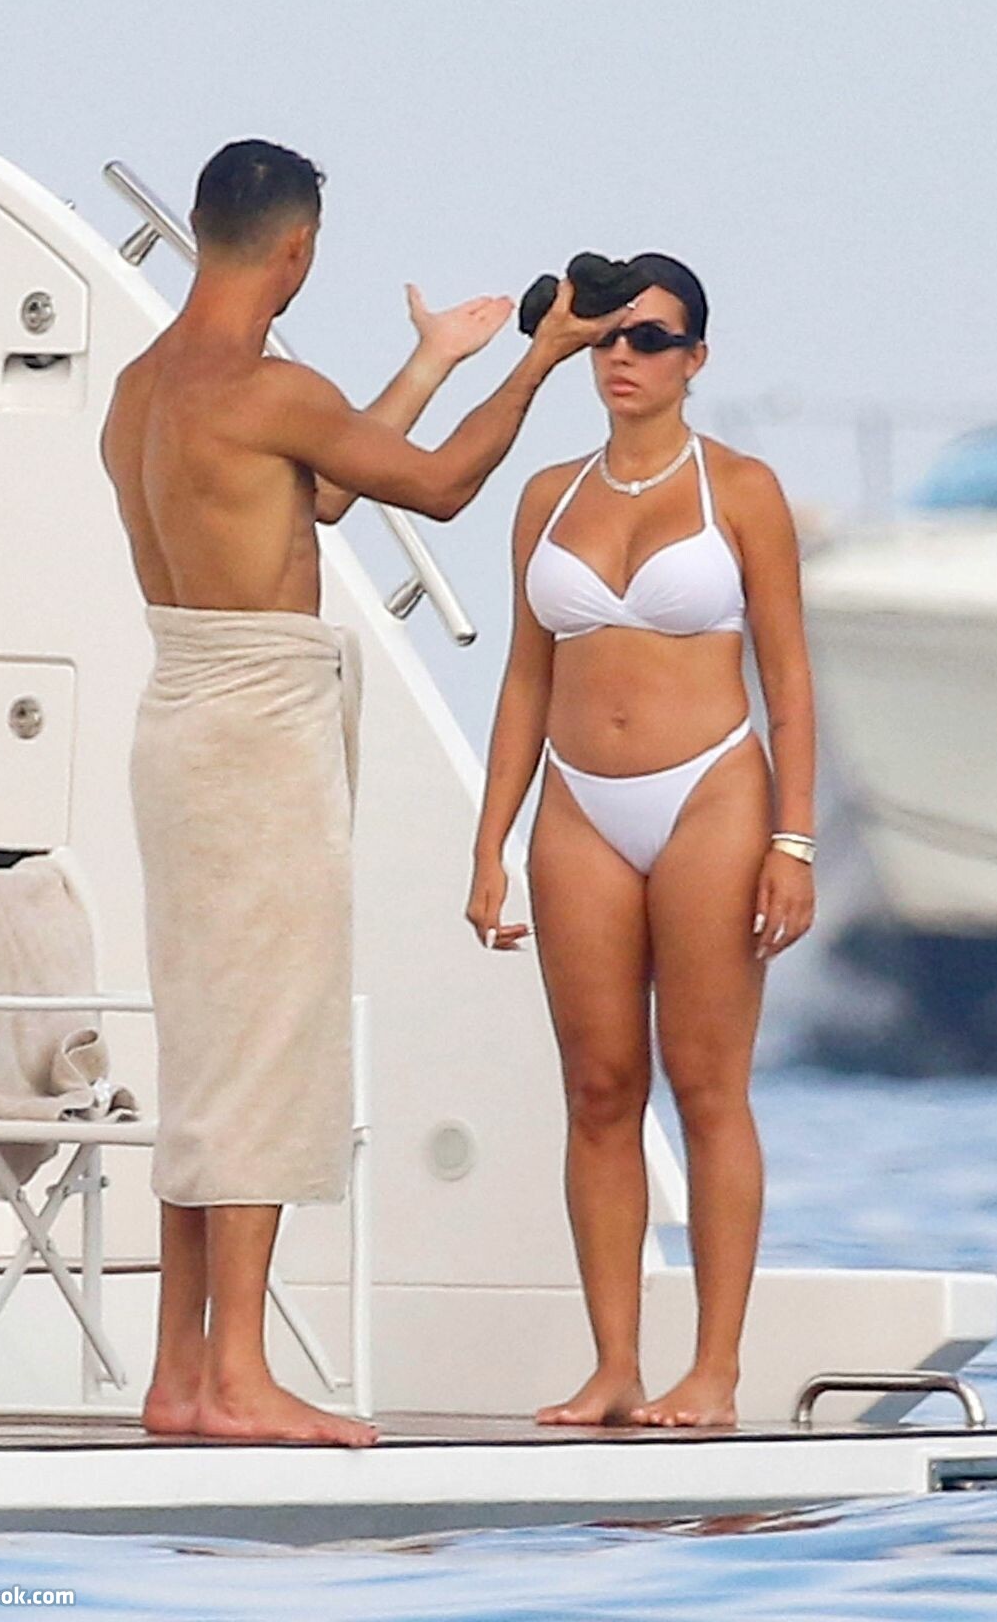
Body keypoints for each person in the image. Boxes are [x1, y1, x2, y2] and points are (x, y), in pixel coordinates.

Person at [100, 138, 618, 1448]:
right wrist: (538, 362)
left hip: (180, 719)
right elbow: (433, 491)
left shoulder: (142, 388)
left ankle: (179, 1374)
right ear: (297, 249)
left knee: (209, 1052)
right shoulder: (268, 388)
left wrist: (433, 362)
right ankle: (240, 1377)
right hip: (256, 733)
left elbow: (321, 492)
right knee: (264, 1048)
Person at [467, 252, 817, 1429]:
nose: (623, 355)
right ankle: (613, 1365)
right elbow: (524, 678)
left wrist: (793, 842)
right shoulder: (545, 496)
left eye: (650, 338)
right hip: (576, 803)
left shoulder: (741, 490)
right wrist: (488, 843)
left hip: (710, 792)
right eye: (608, 336)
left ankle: (712, 1371)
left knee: (706, 1086)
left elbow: (788, 679)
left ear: (693, 359)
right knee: (597, 1087)